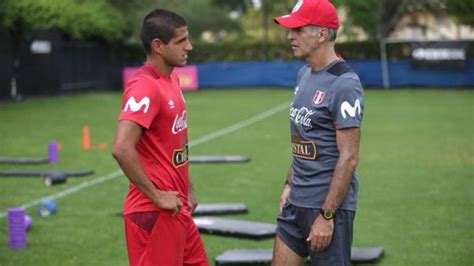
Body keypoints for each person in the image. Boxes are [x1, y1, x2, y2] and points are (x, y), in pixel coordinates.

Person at [111, 9, 208, 266]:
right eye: (181, 41)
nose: (189, 46)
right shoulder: (145, 86)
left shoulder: (172, 79)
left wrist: (188, 187)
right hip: (154, 212)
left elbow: (173, 143)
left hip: (176, 207)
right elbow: (121, 148)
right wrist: (157, 196)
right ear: (158, 46)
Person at [271, 0, 364, 265]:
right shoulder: (304, 74)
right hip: (295, 202)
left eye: (298, 29)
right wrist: (289, 185)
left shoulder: (345, 83)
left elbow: (349, 157)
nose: (290, 35)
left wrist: (326, 217)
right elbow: (303, 140)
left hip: (326, 208)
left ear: (322, 34)